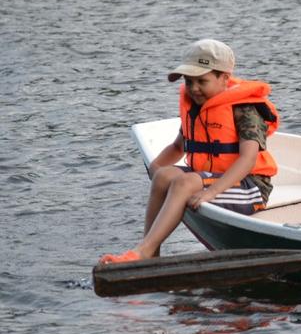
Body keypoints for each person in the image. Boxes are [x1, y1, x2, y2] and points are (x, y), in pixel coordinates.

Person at [99, 39, 280, 263]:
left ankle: (143, 252)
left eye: (202, 81)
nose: (194, 89)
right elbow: (178, 147)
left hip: (249, 186)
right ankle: (150, 251)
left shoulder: (246, 109)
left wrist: (211, 193)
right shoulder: (197, 106)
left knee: (184, 183)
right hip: (208, 178)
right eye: (189, 81)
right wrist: (154, 171)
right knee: (164, 174)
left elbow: (248, 159)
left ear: (224, 78)